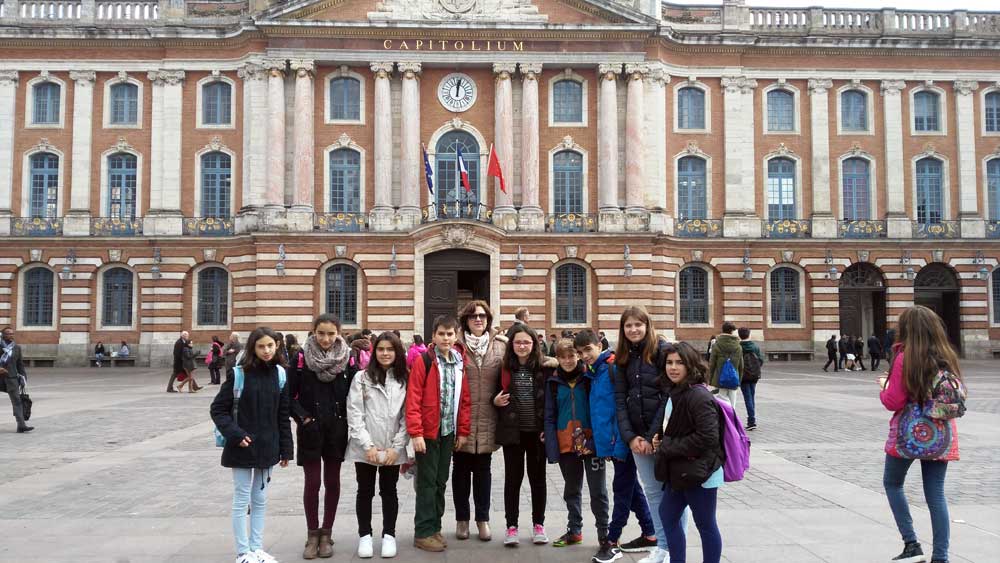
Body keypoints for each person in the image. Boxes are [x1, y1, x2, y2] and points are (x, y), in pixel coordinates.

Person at [880, 305, 962, 563]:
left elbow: (894, 401)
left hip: (909, 433)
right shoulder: (946, 355)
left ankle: (911, 544)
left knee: (893, 484)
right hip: (940, 433)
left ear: (906, 329)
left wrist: (884, 388)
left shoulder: (904, 357)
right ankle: (941, 557)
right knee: (936, 494)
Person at [209, 326, 292, 563]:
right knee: (241, 499)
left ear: (277, 346)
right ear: (253, 348)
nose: (266, 351)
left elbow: (283, 414)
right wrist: (235, 434)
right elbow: (218, 409)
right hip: (242, 446)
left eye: (270, 346)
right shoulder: (239, 374)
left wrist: (286, 449)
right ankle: (243, 552)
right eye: (261, 346)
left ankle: (257, 548)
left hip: (267, 446)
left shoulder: (280, 374)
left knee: (260, 500)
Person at [575, 329, 657, 562]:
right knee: (631, 488)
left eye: (588, 350)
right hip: (612, 441)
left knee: (621, 488)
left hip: (622, 441)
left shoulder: (612, 368)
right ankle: (650, 533)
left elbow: (622, 410)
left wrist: (621, 443)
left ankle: (612, 541)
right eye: (580, 353)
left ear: (599, 345)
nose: (584, 356)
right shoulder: (594, 371)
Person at [613, 305, 680, 563]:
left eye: (637, 324)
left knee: (673, 493)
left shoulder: (662, 351)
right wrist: (631, 437)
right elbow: (620, 399)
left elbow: (668, 395)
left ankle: (675, 548)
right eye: (628, 325)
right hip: (637, 439)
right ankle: (662, 546)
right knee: (653, 493)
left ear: (647, 325)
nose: (633, 330)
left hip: (663, 437)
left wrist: (652, 436)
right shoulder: (623, 357)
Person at [289, 314, 357, 559]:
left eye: (331, 334)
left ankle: (326, 533)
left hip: (336, 429)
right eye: (321, 333)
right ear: (313, 332)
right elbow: (289, 396)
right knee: (313, 483)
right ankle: (312, 535)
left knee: (332, 482)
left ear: (338, 333)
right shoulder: (300, 358)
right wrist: (304, 418)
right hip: (310, 429)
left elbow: (356, 393)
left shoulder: (348, 358)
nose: (326, 339)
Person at [652, 342, 724, 563]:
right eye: (669, 362)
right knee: (667, 514)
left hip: (701, 472)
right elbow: (677, 425)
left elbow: (708, 437)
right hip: (681, 470)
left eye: (679, 363)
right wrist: (660, 437)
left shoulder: (699, 396)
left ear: (690, 365)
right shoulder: (676, 391)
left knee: (705, 524)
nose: (673, 368)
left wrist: (667, 446)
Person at [406, 315, 472, 552]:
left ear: (456, 336)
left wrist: (462, 431)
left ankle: (435, 526)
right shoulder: (424, 361)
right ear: (433, 335)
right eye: (441, 334)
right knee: (426, 483)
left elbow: (464, 400)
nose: (446, 338)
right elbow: (413, 397)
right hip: (428, 433)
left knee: (440, 481)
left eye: (450, 334)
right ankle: (423, 531)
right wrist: (416, 433)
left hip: (448, 432)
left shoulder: (459, 361)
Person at [346, 331, 410, 559]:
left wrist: (397, 447)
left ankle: (389, 535)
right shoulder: (361, 378)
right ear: (374, 352)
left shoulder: (405, 379)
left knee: (389, 491)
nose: (385, 353)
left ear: (397, 352)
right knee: (365, 491)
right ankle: (365, 535)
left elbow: (407, 417)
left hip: (392, 448)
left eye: (390, 349)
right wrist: (368, 446)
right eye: (381, 349)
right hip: (366, 448)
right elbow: (355, 413)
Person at [543, 338, 610, 551]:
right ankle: (575, 530)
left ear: (578, 356)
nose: (568, 360)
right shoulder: (553, 382)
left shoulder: (589, 377)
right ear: (557, 358)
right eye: (562, 357)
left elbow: (600, 409)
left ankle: (604, 534)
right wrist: (552, 446)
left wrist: (602, 440)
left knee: (598, 491)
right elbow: (549, 416)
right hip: (566, 444)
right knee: (571, 489)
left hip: (591, 443)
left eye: (571, 356)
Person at [495, 322, 555, 548]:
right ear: (511, 344)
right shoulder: (504, 368)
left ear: (534, 344)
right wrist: (494, 400)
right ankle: (511, 526)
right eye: (518, 342)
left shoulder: (544, 368)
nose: (522, 346)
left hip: (537, 434)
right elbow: (493, 393)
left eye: (526, 342)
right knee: (512, 480)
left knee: (538, 480)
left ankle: (539, 524)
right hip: (513, 433)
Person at [454, 301, 506, 542]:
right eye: (473, 316)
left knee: (484, 472)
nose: (478, 319)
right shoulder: (455, 346)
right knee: (461, 472)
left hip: (488, 418)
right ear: (466, 320)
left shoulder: (500, 346)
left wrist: (550, 362)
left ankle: (482, 519)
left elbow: (516, 369)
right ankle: (462, 519)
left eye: (483, 316)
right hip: (461, 420)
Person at [1, 327, 32, 433]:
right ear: (3, 335)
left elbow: (20, 365)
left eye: (12, 333)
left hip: (12, 378)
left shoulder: (16, 348)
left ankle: (21, 425)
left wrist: (23, 378)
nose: (11, 335)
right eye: (8, 333)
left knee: (17, 402)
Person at [707, 322, 743, 408]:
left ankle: (724, 415)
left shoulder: (716, 345)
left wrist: (709, 379)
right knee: (732, 404)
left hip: (719, 378)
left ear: (722, 330)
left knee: (722, 402)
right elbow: (741, 366)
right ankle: (732, 415)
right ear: (732, 331)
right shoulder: (738, 346)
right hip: (734, 378)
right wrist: (739, 380)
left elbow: (712, 364)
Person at [738, 327, 763, 431]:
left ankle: (751, 421)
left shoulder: (738, 347)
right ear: (749, 334)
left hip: (743, 376)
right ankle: (752, 419)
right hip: (754, 375)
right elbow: (760, 360)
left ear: (739, 335)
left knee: (747, 397)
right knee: (751, 396)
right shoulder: (755, 347)